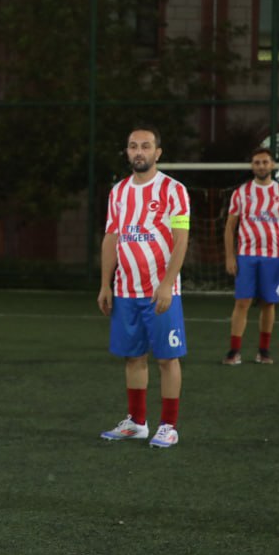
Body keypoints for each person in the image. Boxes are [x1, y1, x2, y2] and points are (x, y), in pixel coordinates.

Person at [98, 127, 190, 449]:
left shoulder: (173, 190)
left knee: (167, 359)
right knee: (133, 357)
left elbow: (181, 241)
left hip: (160, 292)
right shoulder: (118, 192)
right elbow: (112, 238)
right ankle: (137, 423)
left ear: (158, 153)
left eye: (146, 146)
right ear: (127, 151)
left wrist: (167, 284)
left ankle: (168, 426)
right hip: (125, 290)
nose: (139, 151)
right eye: (133, 146)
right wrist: (105, 284)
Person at [223, 147, 279, 365]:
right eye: (257, 162)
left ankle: (263, 351)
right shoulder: (241, 193)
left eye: (265, 162)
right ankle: (234, 351)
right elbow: (230, 228)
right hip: (246, 256)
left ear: (272, 165)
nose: (261, 166)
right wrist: (230, 256)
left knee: (268, 303)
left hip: (273, 257)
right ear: (252, 166)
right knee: (242, 302)